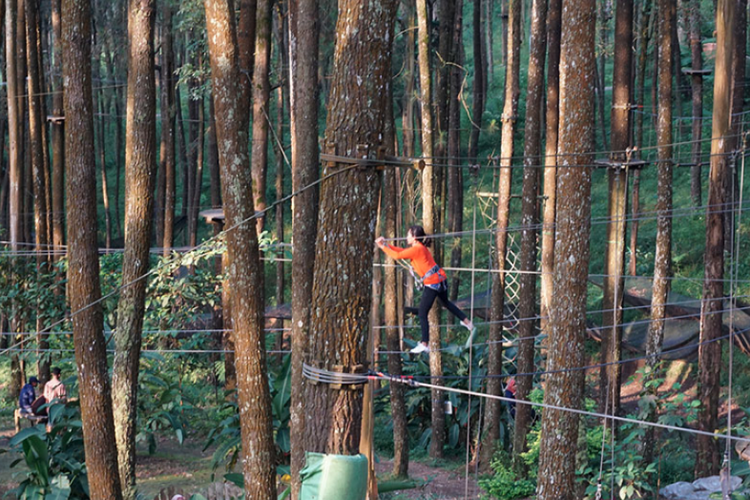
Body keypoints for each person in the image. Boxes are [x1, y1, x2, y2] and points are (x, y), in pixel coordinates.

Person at [376, 225, 475, 354]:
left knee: (422, 312)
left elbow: (397, 256)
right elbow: (400, 251)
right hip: (440, 278)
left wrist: (382, 246)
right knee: (446, 303)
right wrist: (386, 244)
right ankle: (467, 322)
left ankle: (424, 343)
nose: (406, 237)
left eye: (408, 234)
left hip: (433, 282)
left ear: (415, 237)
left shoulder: (417, 249)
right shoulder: (418, 248)